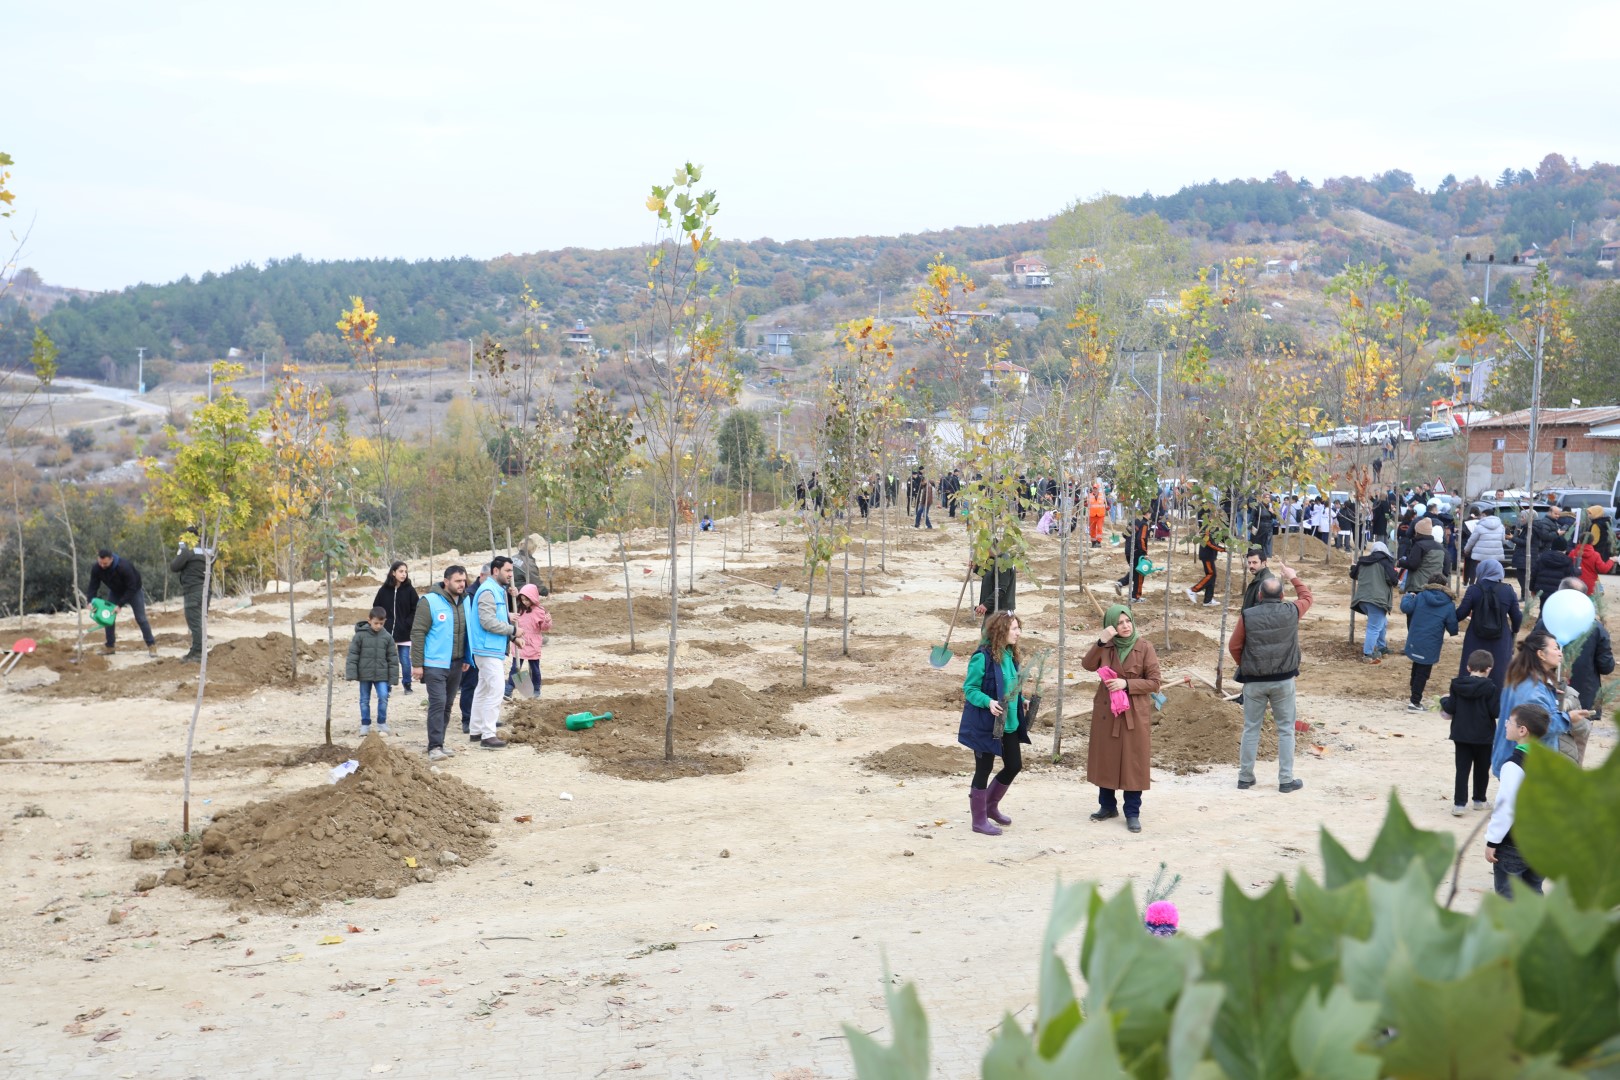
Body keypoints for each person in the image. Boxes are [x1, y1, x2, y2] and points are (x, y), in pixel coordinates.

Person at [1228, 559, 1310, 793]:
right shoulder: (1291, 611)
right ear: (1283, 596)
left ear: (1260, 596)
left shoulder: (1248, 615)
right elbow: (1307, 598)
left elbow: (1234, 646)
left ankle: (1245, 778)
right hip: (1284, 681)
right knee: (1285, 729)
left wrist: (1247, 665)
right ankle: (1286, 781)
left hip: (1254, 682)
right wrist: (1293, 576)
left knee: (1250, 728)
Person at [1082, 605, 1161, 832]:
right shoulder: (1106, 647)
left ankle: (1132, 812)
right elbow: (1087, 665)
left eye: (1128, 621)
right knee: (1106, 758)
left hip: (1133, 712)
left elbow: (1155, 682)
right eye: (1119, 623)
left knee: (1133, 762)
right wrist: (1100, 641)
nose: (1125, 626)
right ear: (1111, 626)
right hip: (1107, 712)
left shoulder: (1145, 647)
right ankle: (1107, 806)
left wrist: (1127, 684)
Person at [956, 611, 1029, 836]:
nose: (1018, 633)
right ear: (1001, 631)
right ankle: (978, 821)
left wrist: (1021, 699)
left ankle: (989, 806)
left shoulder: (1011, 655)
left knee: (1014, 764)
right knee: (984, 769)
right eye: (1014, 628)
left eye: (1018, 628)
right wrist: (988, 702)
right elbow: (970, 690)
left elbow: (1009, 686)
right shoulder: (982, 657)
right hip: (986, 723)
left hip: (1009, 721)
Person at [1492, 629, 1593, 776]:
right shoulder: (1533, 688)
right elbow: (1539, 724)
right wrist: (1568, 718)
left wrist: (1549, 693)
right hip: (1526, 764)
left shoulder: (1521, 679)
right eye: (1555, 648)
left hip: (1511, 758)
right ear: (1541, 654)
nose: (1560, 652)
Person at [1485, 702, 1550, 899]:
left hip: (1515, 845)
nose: (1505, 724)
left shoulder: (1513, 766)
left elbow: (1506, 808)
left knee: (1509, 900)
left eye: (1509, 722)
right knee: (1534, 893)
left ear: (1522, 730)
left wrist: (1492, 840)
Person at [410, 564, 472, 762]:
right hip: (434, 663)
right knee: (438, 702)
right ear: (446, 582)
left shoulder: (466, 601)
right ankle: (434, 746)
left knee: (447, 705)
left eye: (464, 581)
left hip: (456, 662)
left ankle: (440, 742)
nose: (462, 585)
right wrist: (417, 664)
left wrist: (467, 657)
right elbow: (418, 632)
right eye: (458, 581)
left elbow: (467, 631)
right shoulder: (429, 602)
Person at [468, 555, 521, 750]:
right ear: (495, 571)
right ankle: (488, 735)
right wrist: (513, 630)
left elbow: (498, 618)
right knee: (497, 689)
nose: (510, 575)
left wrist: (513, 637)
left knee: (483, 689)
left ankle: (475, 730)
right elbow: (488, 622)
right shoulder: (488, 591)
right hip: (487, 648)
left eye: (511, 571)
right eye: (508, 571)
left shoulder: (498, 591)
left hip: (491, 647)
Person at [1441, 649, 1500, 816]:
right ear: (1489, 669)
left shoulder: (1457, 685)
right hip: (1484, 736)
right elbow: (1495, 712)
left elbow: (1450, 707)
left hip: (1461, 734)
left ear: (1468, 667)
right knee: (1482, 768)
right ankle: (1479, 800)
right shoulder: (1491, 687)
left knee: (1462, 769)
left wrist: (1443, 700)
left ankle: (1459, 803)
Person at [1454, 559, 1521, 689]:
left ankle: (1467, 695)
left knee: (1472, 667)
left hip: (1475, 636)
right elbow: (1517, 616)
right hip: (1501, 638)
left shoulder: (1474, 589)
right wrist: (1514, 632)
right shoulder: (1508, 591)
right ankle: (1495, 701)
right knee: (1499, 670)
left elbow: (1460, 614)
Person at [86, 549, 157, 657]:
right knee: (107, 617)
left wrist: (120, 604)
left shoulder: (124, 567)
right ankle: (110, 647)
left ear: (111, 559)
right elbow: (93, 585)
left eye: (105, 563)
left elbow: (132, 587)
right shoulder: (97, 568)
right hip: (115, 592)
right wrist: (90, 600)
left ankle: (151, 646)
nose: (102, 565)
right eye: (100, 562)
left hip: (134, 591)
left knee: (141, 619)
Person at [1401, 580, 1458, 712]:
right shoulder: (1449, 604)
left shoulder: (1421, 596)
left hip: (1415, 639)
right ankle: (1414, 702)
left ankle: (1413, 696)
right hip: (1431, 643)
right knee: (1423, 672)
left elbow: (1406, 608)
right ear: (1445, 586)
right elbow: (1452, 627)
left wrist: (1409, 595)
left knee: (1416, 667)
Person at [346, 605, 401, 737]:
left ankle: (382, 722)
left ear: (385, 622)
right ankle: (365, 724)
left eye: (381, 623)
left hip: (382, 675)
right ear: (369, 620)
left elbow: (393, 659)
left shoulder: (387, 637)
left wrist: (393, 678)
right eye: (376, 623)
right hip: (365, 674)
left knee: (383, 696)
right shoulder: (360, 636)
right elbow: (353, 655)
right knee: (364, 699)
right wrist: (351, 673)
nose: (378, 626)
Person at [373, 562, 419, 695]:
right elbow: (376, 607)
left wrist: (407, 623)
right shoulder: (383, 590)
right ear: (393, 572)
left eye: (405, 571)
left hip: (404, 632)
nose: (404, 574)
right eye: (401, 571)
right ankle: (387, 687)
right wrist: (382, 624)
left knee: (404, 659)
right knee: (388, 660)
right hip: (386, 632)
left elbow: (416, 608)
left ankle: (407, 684)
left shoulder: (410, 590)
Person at [1349, 540, 1399, 662]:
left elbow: (1353, 574)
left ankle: (1382, 647)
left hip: (1362, 599)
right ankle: (1368, 654)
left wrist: (1353, 566)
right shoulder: (1386, 562)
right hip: (1377, 600)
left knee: (1382, 623)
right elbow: (1393, 581)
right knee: (1374, 627)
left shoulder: (1363, 561)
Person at [170, 538, 208, 663]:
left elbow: (174, 566)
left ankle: (198, 653)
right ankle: (197, 650)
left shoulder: (187, 550)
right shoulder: (208, 549)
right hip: (206, 590)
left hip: (193, 591)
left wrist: (181, 552)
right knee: (200, 622)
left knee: (195, 623)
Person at [512, 583, 553, 698]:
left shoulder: (540, 611)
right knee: (515, 667)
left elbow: (544, 628)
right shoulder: (518, 609)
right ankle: (508, 689)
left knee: (535, 669)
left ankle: (536, 689)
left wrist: (547, 621)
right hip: (519, 643)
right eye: (523, 599)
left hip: (533, 644)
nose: (525, 602)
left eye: (527, 600)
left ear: (533, 598)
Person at [1399, 518, 1446, 596]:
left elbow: (1413, 564)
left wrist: (1400, 562)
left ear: (1418, 531)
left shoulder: (1419, 545)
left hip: (1418, 585)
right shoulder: (1440, 547)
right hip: (1435, 584)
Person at [1186, 519, 1224, 606]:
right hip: (1207, 556)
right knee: (1211, 575)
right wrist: (1223, 549)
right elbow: (1209, 543)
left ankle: (1208, 600)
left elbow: (1218, 540)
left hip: (1210, 556)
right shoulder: (1207, 529)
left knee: (1212, 577)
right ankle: (1193, 590)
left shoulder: (1214, 529)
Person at [1116, 514, 1151, 603]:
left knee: (1134, 571)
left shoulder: (1134, 520)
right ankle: (1135, 596)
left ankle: (1121, 583)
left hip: (1128, 550)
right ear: (1148, 514)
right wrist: (1144, 553)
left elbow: (1124, 534)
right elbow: (1141, 539)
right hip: (1136, 551)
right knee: (1140, 573)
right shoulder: (1144, 524)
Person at [973, 553, 1017, 618]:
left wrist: (986, 604)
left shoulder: (1003, 562)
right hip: (993, 610)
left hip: (1001, 613)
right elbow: (990, 577)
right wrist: (976, 568)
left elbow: (1001, 589)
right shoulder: (995, 559)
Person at [1087, 484, 1108, 548]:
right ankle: (1093, 542)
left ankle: (1098, 542)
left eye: (1096, 489)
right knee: (1092, 530)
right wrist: (1085, 504)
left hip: (1100, 515)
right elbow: (1086, 503)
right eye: (1094, 488)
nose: (1094, 490)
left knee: (1099, 528)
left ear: (1098, 489)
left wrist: (1108, 506)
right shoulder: (1089, 496)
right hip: (1092, 515)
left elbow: (1107, 502)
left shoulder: (1102, 496)